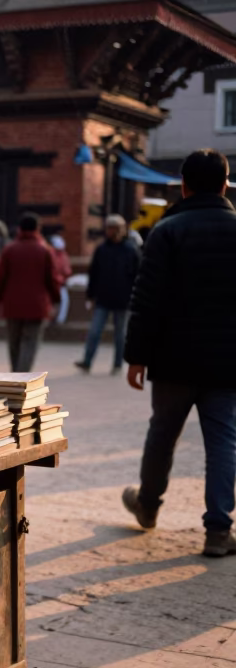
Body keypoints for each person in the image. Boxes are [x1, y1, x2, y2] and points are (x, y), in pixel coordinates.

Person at [123, 149, 236, 558]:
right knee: (223, 441)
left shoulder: (167, 230)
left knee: (163, 434)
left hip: (173, 357)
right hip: (227, 360)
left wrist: (136, 355)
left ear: (184, 186)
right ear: (225, 184)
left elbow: (146, 298)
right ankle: (219, 529)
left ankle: (148, 506)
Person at [0, 212, 60, 371]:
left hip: (12, 304)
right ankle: (22, 374)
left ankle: (15, 372)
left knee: (14, 342)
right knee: (30, 342)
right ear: (38, 228)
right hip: (37, 305)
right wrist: (55, 299)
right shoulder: (44, 250)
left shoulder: (9, 250)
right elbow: (52, 279)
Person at [75, 215, 140, 375]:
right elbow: (94, 272)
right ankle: (87, 361)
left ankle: (118, 364)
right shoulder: (102, 249)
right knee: (95, 331)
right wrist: (91, 294)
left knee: (120, 335)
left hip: (123, 299)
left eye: (114, 228)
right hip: (103, 297)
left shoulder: (131, 250)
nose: (111, 231)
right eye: (109, 228)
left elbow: (138, 275)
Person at [48, 233, 72, 325]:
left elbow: (67, 270)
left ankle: (59, 320)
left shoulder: (63, 255)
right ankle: (52, 318)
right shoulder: (50, 254)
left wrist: (62, 278)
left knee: (63, 300)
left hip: (59, 282)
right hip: (53, 282)